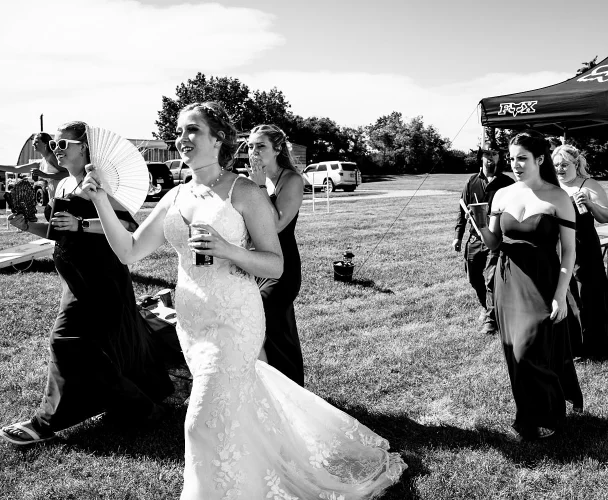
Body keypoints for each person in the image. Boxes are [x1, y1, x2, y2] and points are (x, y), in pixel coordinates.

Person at [82, 102, 406, 499]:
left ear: (218, 140)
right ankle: (253, 476)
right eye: (179, 131)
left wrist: (228, 249)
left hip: (234, 319)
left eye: (192, 131)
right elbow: (129, 251)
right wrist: (100, 200)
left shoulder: (244, 192)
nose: (181, 138)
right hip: (192, 325)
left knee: (198, 422)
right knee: (231, 409)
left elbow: (275, 265)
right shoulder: (175, 195)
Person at [0, 121, 173, 446]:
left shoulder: (100, 184)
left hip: (101, 280)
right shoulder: (63, 184)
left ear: (85, 149)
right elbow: (58, 230)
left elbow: (126, 225)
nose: (57, 150)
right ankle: (139, 403)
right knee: (97, 348)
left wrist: (81, 224)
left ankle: (44, 422)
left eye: (64, 145)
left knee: (64, 341)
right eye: (55, 145)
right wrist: (29, 226)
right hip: (75, 279)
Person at [476, 130, 582, 441]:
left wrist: (561, 295)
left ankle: (549, 412)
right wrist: (481, 223)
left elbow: (570, 251)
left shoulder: (558, 196)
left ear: (539, 159)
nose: (515, 164)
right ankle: (529, 417)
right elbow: (494, 242)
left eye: (522, 158)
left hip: (544, 280)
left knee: (530, 350)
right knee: (516, 354)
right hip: (508, 280)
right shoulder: (502, 195)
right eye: (512, 159)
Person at [246, 124, 306, 386]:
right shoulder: (251, 180)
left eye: (260, 146)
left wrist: (259, 187)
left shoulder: (291, 180)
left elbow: (277, 224)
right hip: (257, 264)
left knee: (269, 319)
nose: (253, 151)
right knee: (276, 326)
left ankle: (290, 388)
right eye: (250, 146)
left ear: (277, 149)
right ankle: (271, 388)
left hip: (282, 267)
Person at [552, 144, 608, 358]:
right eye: (556, 165)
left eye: (564, 164)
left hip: (584, 247)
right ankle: (572, 344)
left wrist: (590, 204)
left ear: (576, 164)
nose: (559, 169)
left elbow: (606, 217)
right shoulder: (551, 187)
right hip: (559, 247)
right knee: (565, 293)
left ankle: (595, 343)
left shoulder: (588, 184)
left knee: (587, 294)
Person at [453, 146, 513, 335]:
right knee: (473, 276)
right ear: (481, 158)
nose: (490, 158)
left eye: (494, 154)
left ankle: (491, 319)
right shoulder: (472, 181)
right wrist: (458, 236)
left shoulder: (507, 183)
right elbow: (462, 211)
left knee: (491, 279)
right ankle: (485, 305)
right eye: (487, 154)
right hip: (474, 238)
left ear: (499, 158)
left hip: (495, 237)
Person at [0, 132, 69, 220]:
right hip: (53, 198)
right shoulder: (41, 162)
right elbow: (16, 169)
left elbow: (67, 173)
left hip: (62, 198)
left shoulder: (53, 157)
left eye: (36, 141)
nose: (33, 144)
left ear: (45, 143)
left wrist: (44, 174)